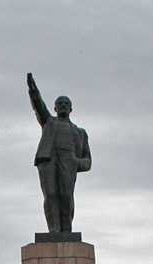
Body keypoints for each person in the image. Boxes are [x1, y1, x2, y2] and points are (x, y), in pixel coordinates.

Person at [26, 72, 92, 234]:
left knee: (66, 196)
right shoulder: (49, 122)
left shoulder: (80, 132)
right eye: (59, 103)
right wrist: (33, 90)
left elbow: (88, 161)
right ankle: (54, 231)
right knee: (51, 195)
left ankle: (67, 231)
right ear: (54, 108)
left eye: (66, 103)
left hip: (68, 162)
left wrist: (75, 161)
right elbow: (38, 105)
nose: (62, 105)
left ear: (71, 108)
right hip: (48, 160)